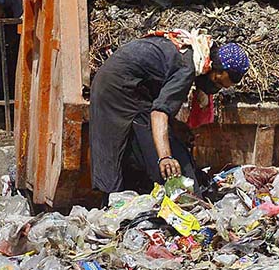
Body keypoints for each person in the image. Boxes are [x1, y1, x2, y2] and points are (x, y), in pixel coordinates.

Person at [89, 31, 250, 197]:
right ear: (212, 67)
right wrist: (165, 157)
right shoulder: (186, 68)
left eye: (221, 87)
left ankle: (126, 198)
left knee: (140, 146)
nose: (215, 88)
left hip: (117, 83)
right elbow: (159, 112)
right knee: (166, 160)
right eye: (216, 81)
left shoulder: (192, 51)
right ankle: (185, 200)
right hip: (120, 89)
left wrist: (175, 128)